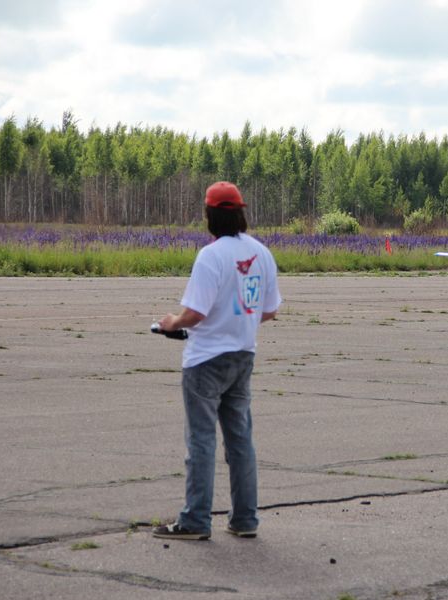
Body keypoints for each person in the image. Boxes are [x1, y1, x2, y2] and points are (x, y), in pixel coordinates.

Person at [153, 181, 281, 541]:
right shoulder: (262, 254)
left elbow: (194, 313)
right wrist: (238, 320)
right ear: (242, 212)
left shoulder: (211, 256)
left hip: (206, 360)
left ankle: (195, 520)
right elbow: (268, 310)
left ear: (209, 215)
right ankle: (244, 519)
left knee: (201, 442)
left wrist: (171, 324)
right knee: (240, 440)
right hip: (242, 355)